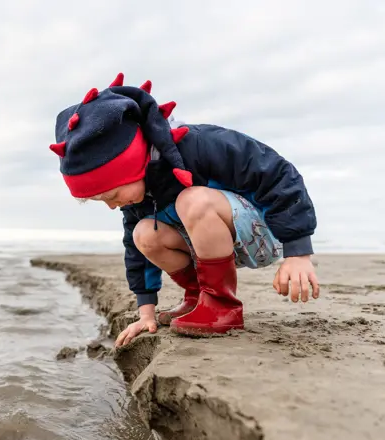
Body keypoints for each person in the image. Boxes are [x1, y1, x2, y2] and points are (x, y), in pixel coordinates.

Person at [48, 73, 320, 345]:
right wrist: (146, 313)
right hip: (210, 249)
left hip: (264, 235)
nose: (111, 205)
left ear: (130, 166)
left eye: (112, 195)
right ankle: (199, 296)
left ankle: (222, 306)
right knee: (142, 233)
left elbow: (276, 173)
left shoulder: (199, 145)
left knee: (191, 199)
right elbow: (137, 255)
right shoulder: (137, 197)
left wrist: (298, 252)